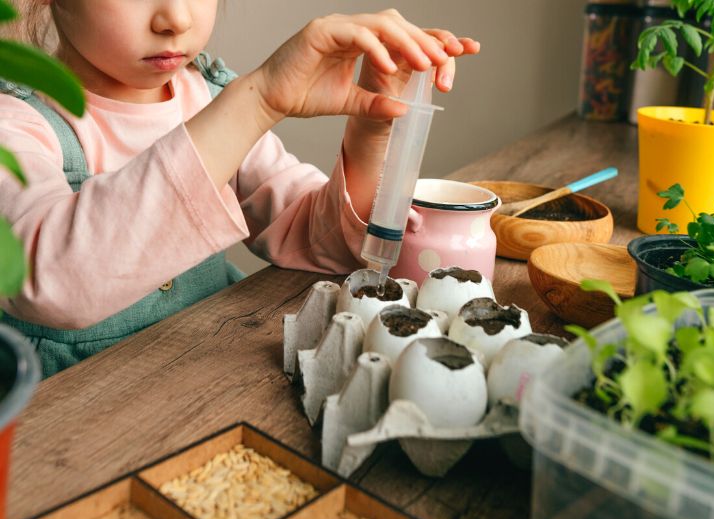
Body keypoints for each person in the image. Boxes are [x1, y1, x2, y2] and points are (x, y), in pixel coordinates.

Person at [0, 0, 479, 377]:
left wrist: (372, 127)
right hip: (72, 433)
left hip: (212, 386)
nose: (175, 18)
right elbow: (50, 279)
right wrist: (256, 103)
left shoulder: (207, 97)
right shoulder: (16, 124)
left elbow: (320, 241)